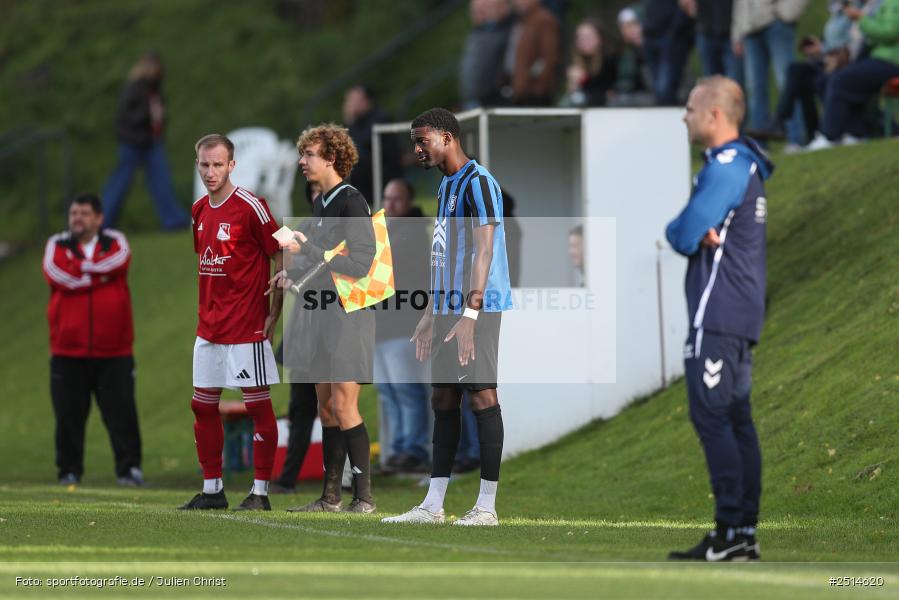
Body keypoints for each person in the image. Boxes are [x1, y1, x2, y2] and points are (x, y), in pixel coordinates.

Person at [383, 108, 512, 527]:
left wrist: (470, 313)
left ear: (447, 137)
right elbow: (442, 257)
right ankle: (433, 505)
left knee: (482, 395)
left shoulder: (479, 182)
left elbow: (484, 251)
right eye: (414, 142)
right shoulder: (444, 187)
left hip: (478, 308)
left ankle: (486, 508)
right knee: (442, 398)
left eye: (423, 140)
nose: (417, 149)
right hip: (446, 309)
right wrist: (429, 313)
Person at [665, 76, 773, 561]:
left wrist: (685, 227)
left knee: (712, 416)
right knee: (734, 417)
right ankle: (741, 535)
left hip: (719, 311)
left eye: (690, 107)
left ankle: (731, 532)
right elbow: (694, 229)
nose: (684, 115)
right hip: (737, 311)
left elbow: (684, 231)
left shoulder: (728, 166)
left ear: (714, 114)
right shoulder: (734, 165)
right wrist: (693, 227)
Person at [179, 134, 283, 512]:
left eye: (218, 165)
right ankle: (212, 490)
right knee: (202, 406)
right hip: (208, 328)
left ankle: (260, 492)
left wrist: (275, 309)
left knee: (258, 407)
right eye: (204, 165)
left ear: (232, 166)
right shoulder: (199, 211)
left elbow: (279, 248)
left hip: (246, 327)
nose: (210, 172)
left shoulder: (252, 206)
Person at [278, 124, 378, 514]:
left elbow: (362, 262)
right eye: (303, 154)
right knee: (324, 407)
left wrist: (311, 247)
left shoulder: (351, 201)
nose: (302, 162)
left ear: (331, 159)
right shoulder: (321, 203)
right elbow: (319, 261)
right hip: (320, 314)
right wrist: (292, 274)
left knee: (344, 404)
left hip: (348, 317)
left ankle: (364, 498)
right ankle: (331, 497)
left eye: (309, 155)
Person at [43, 193, 143, 487]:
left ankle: (129, 470)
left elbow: (119, 261)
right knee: (68, 415)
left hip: (114, 349)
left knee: (121, 412)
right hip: (67, 349)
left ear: (99, 218)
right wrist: (98, 277)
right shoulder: (56, 244)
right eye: (74, 213)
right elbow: (56, 275)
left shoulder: (115, 241)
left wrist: (82, 270)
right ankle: (69, 471)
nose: (77, 218)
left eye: (84, 213)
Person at [375, 178, 431, 473]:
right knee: (389, 393)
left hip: (403, 324)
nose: (390, 204)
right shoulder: (383, 232)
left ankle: (414, 448)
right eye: (387, 198)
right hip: (379, 326)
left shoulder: (414, 235)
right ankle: (398, 449)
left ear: (408, 202)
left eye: (396, 199)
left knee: (407, 390)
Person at [271, 182, 322, 495]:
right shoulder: (303, 227)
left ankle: (345, 479)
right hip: (305, 329)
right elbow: (283, 254)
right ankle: (288, 477)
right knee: (301, 406)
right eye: (316, 193)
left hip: (335, 329)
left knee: (338, 408)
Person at [101, 52, 189, 230]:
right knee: (119, 184)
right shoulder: (133, 88)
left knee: (162, 182)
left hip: (152, 143)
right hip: (133, 144)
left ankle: (174, 221)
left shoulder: (155, 90)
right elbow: (127, 116)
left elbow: (159, 116)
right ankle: (102, 222)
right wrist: (147, 116)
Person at [806, 0, 899, 150]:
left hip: (891, 61)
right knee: (834, 78)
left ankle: (830, 136)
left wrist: (861, 19)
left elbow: (891, 32)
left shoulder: (893, 3)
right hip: (880, 58)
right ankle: (855, 133)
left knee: (841, 79)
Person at [731, 0, 811, 139]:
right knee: (755, 88)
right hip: (750, 29)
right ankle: (760, 143)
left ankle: (796, 138)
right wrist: (737, 33)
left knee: (787, 82)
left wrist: (786, 14)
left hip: (776, 24)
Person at [343, 85, 401, 206]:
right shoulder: (358, 122)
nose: (350, 104)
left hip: (381, 174)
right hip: (368, 174)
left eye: (354, 100)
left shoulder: (379, 118)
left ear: (366, 102)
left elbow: (361, 144)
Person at [459, 0, 515, 109]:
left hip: (491, 97)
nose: (476, 14)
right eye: (474, 11)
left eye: (482, 9)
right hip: (473, 97)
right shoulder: (478, 33)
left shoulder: (506, 31)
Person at [503, 0, 560, 105]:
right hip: (520, 93)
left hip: (535, 95)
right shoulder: (522, 21)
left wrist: (536, 84)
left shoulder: (544, 20)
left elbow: (547, 58)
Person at [641, 0, 695, 106]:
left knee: (665, 88)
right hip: (651, 37)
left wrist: (672, 33)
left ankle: (667, 117)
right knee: (657, 88)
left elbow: (687, 7)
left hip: (672, 40)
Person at [561, 18, 619, 107]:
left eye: (589, 37)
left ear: (600, 38)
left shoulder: (612, 60)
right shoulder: (574, 62)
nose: (584, 41)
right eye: (580, 38)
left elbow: (611, 93)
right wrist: (573, 83)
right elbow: (573, 97)